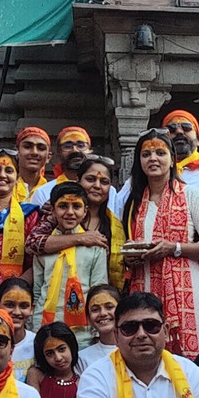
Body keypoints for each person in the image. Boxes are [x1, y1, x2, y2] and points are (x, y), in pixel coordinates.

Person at [122, 130, 199, 356]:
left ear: (171, 159)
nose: (153, 159)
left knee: (187, 359)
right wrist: (128, 258)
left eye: (160, 152)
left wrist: (174, 248)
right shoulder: (133, 201)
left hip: (185, 285)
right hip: (144, 283)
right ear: (139, 161)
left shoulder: (191, 195)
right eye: (146, 154)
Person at [26, 155, 126, 289]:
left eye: (104, 182)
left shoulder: (114, 225)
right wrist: (80, 238)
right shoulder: (60, 213)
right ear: (78, 181)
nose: (97, 186)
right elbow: (32, 244)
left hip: (99, 298)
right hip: (56, 292)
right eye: (90, 179)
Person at [29, 182, 107, 347]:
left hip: (83, 333)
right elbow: (37, 293)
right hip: (44, 327)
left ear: (85, 211)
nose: (70, 212)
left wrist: (97, 332)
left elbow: (98, 292)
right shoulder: (44, 247)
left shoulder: (94, 247)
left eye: (76, 206)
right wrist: (34, 327)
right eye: (63, 206)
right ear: (52, 211)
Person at [0, 148, 42, 300]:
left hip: (14, 299)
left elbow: (35, 263)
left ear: (17, 178)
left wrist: (12, 291)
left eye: (9, 170)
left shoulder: (30, 215)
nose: (2, 175)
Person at [30, 126, 98, 206]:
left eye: (81, 145)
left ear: (90, 151)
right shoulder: (43, 192)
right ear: (59, 152)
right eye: (68, 146)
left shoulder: (103, 190)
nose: (74, 150)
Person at [163, 109, 199, 193]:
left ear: (198, 139)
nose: (179, 132)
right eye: (171, 129)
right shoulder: (156, 170)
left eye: (186, 127)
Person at [0, 276, 37, 382]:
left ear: (32, 309)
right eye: (9, 305)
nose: (17, 312)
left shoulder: (38, 343)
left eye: (24, 306)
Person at [77, 283, 121, 371]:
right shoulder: (82, 359)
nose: (103, 313)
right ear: (88, 318)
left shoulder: (136, 349)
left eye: (109, 307)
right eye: (95, 310)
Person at [13, 126, 52, 204]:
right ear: (17, 153)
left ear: (48, 157)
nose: (34, 152)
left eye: (41, 148)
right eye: (27, 147)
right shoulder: (0, 185)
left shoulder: (52, 188)